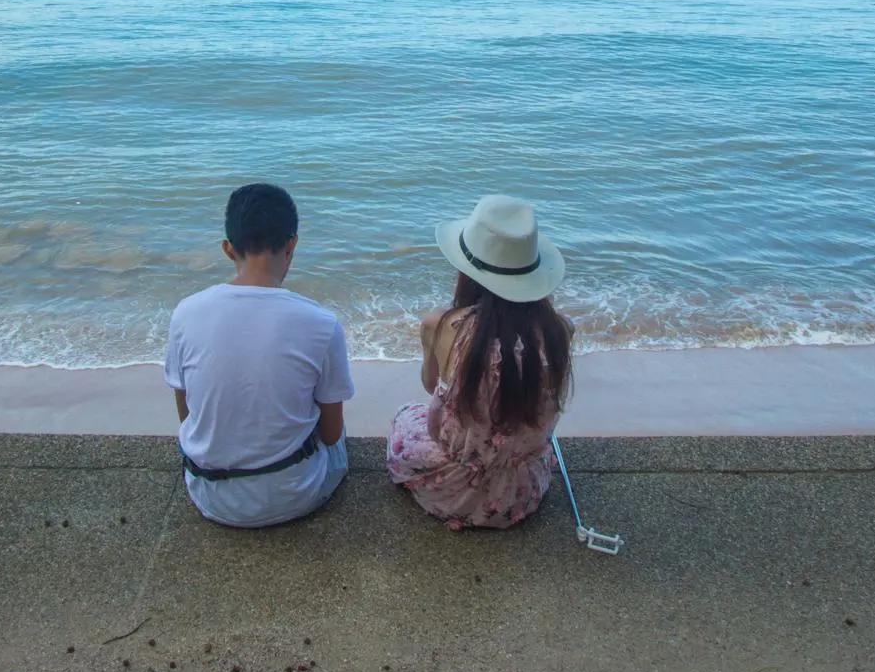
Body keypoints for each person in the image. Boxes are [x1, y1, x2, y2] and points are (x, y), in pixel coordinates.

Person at [163, 183, 354, 528]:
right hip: (295, 496)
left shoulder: (186, 313)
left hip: (209, 495)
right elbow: (329, 433)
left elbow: (187, 416)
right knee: (337, 434)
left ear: (227, 248)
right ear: (292, 243)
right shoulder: (321, 323)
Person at [386, 194, 574, 530]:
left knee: (405, 416)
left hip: (450, 488)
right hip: (521, 491)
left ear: (467, 271)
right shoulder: (560, 331)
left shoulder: (441, 326)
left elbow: (433, 387)